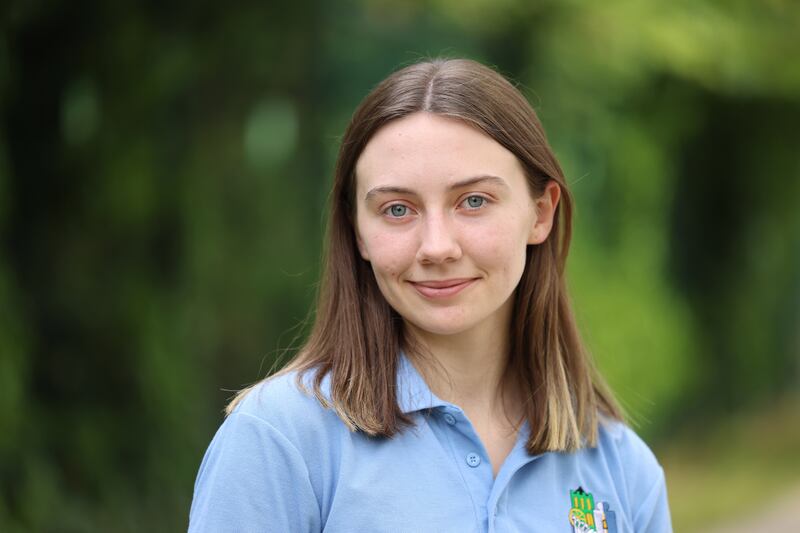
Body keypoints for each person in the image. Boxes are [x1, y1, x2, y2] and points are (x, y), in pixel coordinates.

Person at [188, 57, 672, 533]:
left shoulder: (622, 470)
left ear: (540, 213)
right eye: (398, 209)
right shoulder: (281, 440)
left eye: (474, 201)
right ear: (357, 231)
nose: (437, 247)